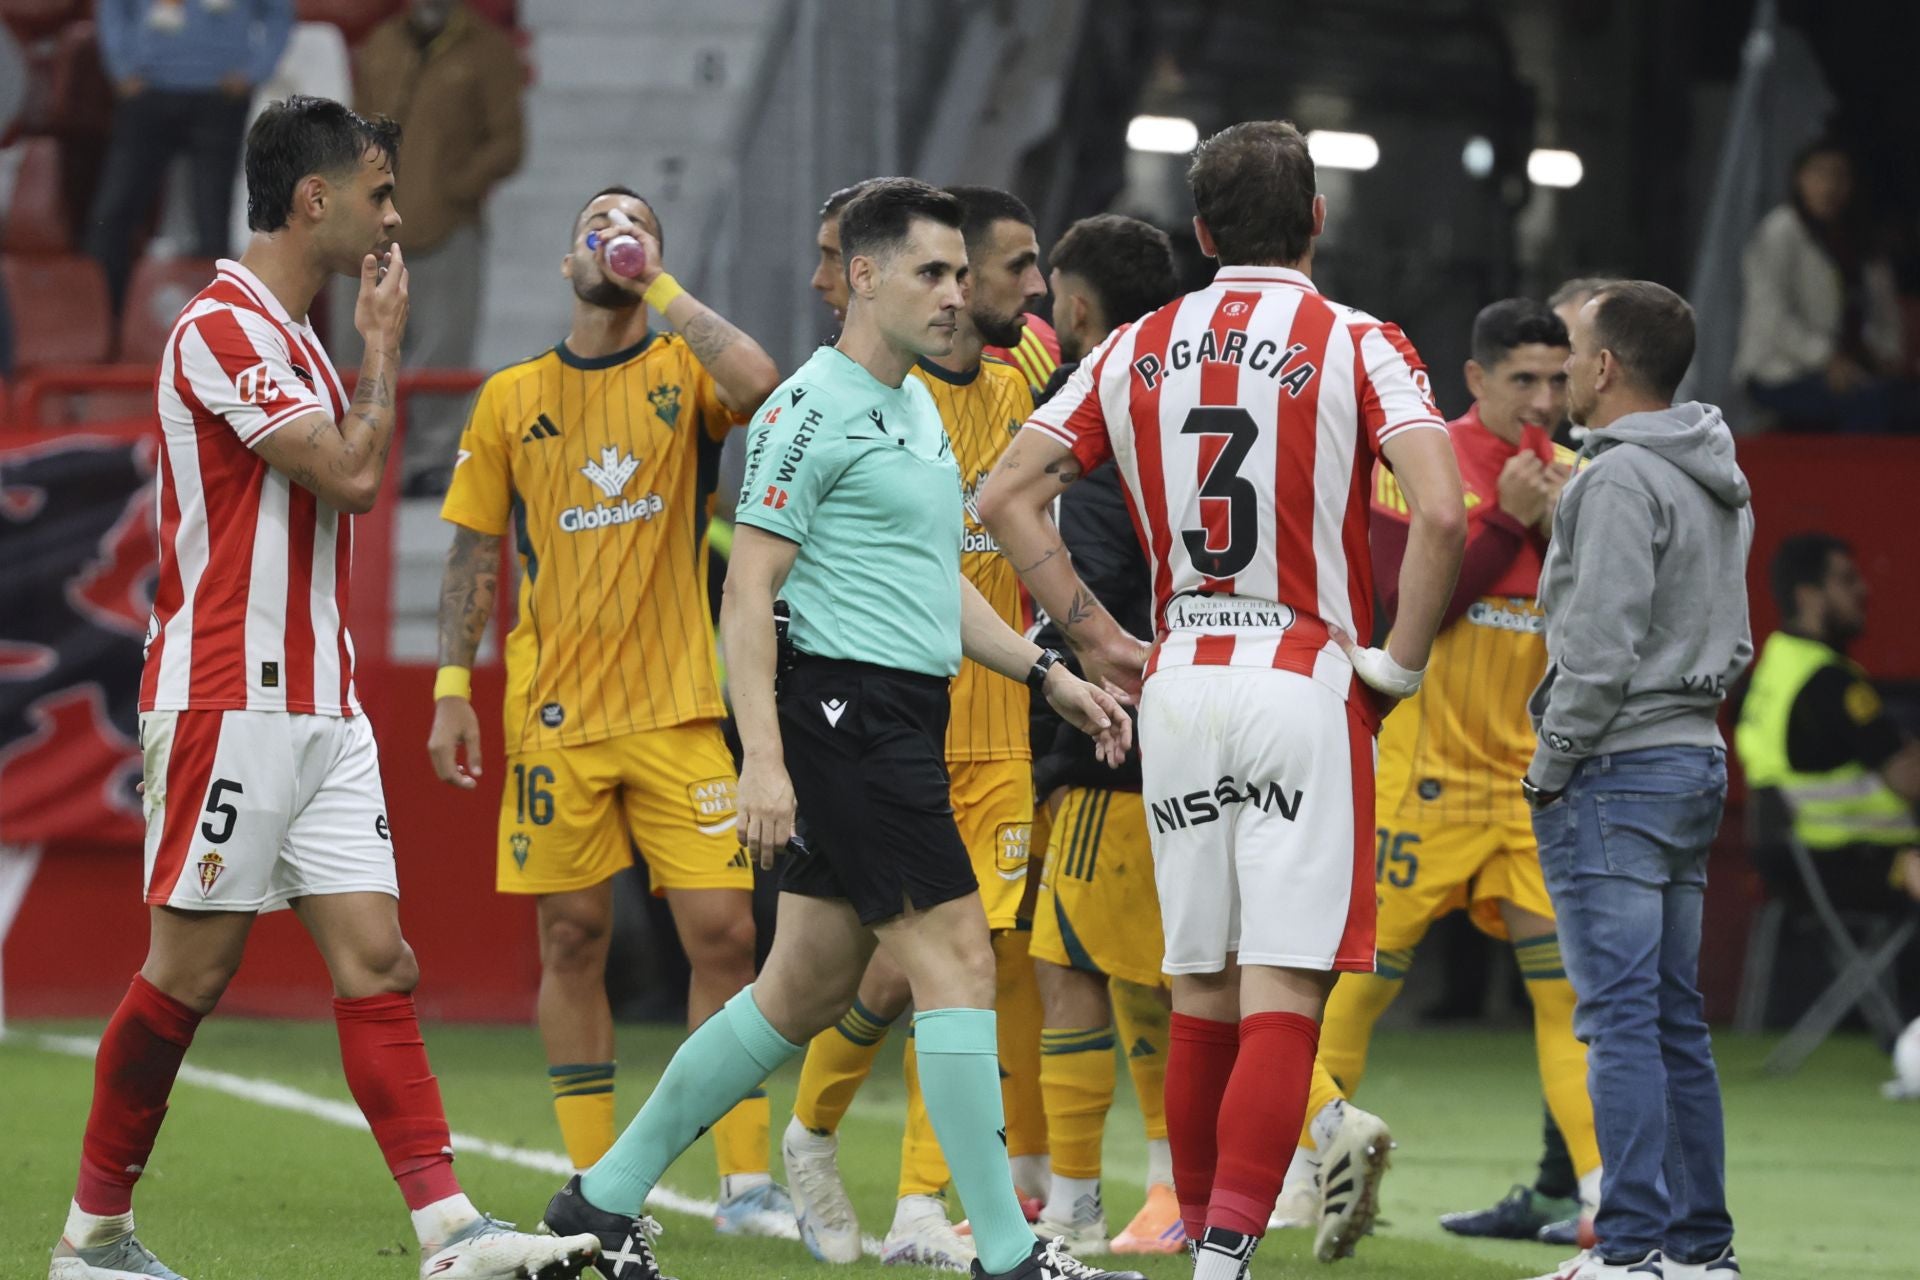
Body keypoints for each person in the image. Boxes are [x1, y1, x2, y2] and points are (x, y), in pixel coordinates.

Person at [537, 177, 1143, 1280]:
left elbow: (932, 581)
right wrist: (763, 762)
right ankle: (1010, 1254)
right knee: (959, 961)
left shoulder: (913, 404)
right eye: (932, 272)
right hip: (848, 715)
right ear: (863, 277)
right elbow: (746, 590)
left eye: (960, 273)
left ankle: (601, 1198)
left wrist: (1045, 669)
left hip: (895, 708)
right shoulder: (806, 409)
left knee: (799, 991)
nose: (955, 293)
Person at [50, 95, 598, 1280]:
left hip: (322, 704)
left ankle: (449, 1230)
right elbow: (351, 474)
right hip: (228, 697)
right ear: (316, 198)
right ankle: (91, 1237)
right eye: (379, 194)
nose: (394, 218)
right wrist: (384, 347)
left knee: (380, 960)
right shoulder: (221, 327)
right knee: (189, 972)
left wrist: (358, 349)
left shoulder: (295, 338)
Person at [980, 120, 1468, 1277]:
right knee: (1282, 983)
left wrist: (1095, 634)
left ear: (1199, 232)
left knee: (1197, 984)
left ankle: (1204, 1239)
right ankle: (1222, 1258)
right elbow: (1444, 514)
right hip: (1301, 680)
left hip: (1181, 680)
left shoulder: (1135, 343)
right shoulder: (1358, 340)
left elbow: (1004, 495)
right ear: (1318, 219)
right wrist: (1396, 667)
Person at [426, 185, 791, 1232]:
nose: (614, 237)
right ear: (565, 261)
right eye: (596, 225)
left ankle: (745, 1181)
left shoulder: (684, 369)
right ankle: (597, 1186)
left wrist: (660, 285)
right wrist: (451, 688)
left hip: (678, 710)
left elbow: (761, 384)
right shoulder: (510, 397)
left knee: (725, 934)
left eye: (635, 227)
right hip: (555, 717)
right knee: (573, 935)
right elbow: (473, 550)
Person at [1270, 299, 1602, 1246]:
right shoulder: (1421, 465)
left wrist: (1558, 531)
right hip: (1423, 785)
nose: (1542, 401)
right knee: (1353, 992)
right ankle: (1302, 1179)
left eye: (1557, 380)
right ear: (1477, 379)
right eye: (1523, 380)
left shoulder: (1584, 480)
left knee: (1567, 999)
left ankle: (1604, 1198)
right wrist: (1507, 522)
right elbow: (1396, 602)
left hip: (1531, 790)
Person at [779, 182, 1053, 1269]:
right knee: (880, 975)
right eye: (1012, 268)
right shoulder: (865, 395)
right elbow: (770, 576)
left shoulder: (1023, 377)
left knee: (965, 963)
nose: (1034, 289)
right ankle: (810, 1133)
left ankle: (924, 1205)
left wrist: (1063, 662)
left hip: (998, 731)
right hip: (886, 729)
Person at [1521, 280, 1753, 1280]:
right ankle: (1699, 1251)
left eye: (1573, 352)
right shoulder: (1716, 469)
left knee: (1618, 1021)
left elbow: (1600, 650)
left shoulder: (1615, 478)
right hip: (1695, 755)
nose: (1565, 370)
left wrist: (1550, 763)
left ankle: (1627, 1251)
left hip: (1615, 766)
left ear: (1608, 366)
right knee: (1671, 1022)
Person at [1019, 212, 1185, 1257]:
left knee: (1080, 960)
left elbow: (1095, 562)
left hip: (1117, 722)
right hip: (1221, 697)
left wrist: (1084, 665)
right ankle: (1137, 1190)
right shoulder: (1193, 384)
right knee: (1159, 956)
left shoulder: (1091, 402)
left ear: (1076, 305)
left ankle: (1123, 1193)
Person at [1735, 534, 1920, 1021]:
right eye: (1846, 580)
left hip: (1785, 862)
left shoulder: (1767, 672)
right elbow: (1908, 780)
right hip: (1847, 861)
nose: (1862, 590)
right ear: (1808, 595)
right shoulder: (1831, 682)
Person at [351, 0, 525, 492]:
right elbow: (353, 126)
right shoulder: (382, 43)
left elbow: (508, 143)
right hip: (371, 227)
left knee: (444, 348)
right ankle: (356, 451)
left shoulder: (488, 50)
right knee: (357, 346)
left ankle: (430, 462)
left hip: (449, 225)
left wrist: (455, 188)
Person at [86, 0, 294, 311]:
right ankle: (101, 321)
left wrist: (254, 72)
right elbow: (112, 8)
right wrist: (121, 68)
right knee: (114, 213)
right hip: (147, 91)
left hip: (219, 96)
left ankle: (215, 323)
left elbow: (279, 13)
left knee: (211, 221)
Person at [1733, 139, 1909, 432]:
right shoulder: (1780, 231)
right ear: (1799, 179)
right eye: (1819, 174)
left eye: (1839, 175)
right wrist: (1827, 359)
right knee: (1865, 403)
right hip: (1782, 370)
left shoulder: (1861, 238)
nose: (1829, 186)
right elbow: (1772, 317)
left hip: (1855, 368)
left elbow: (1885, 313)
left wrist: (1886, 355)